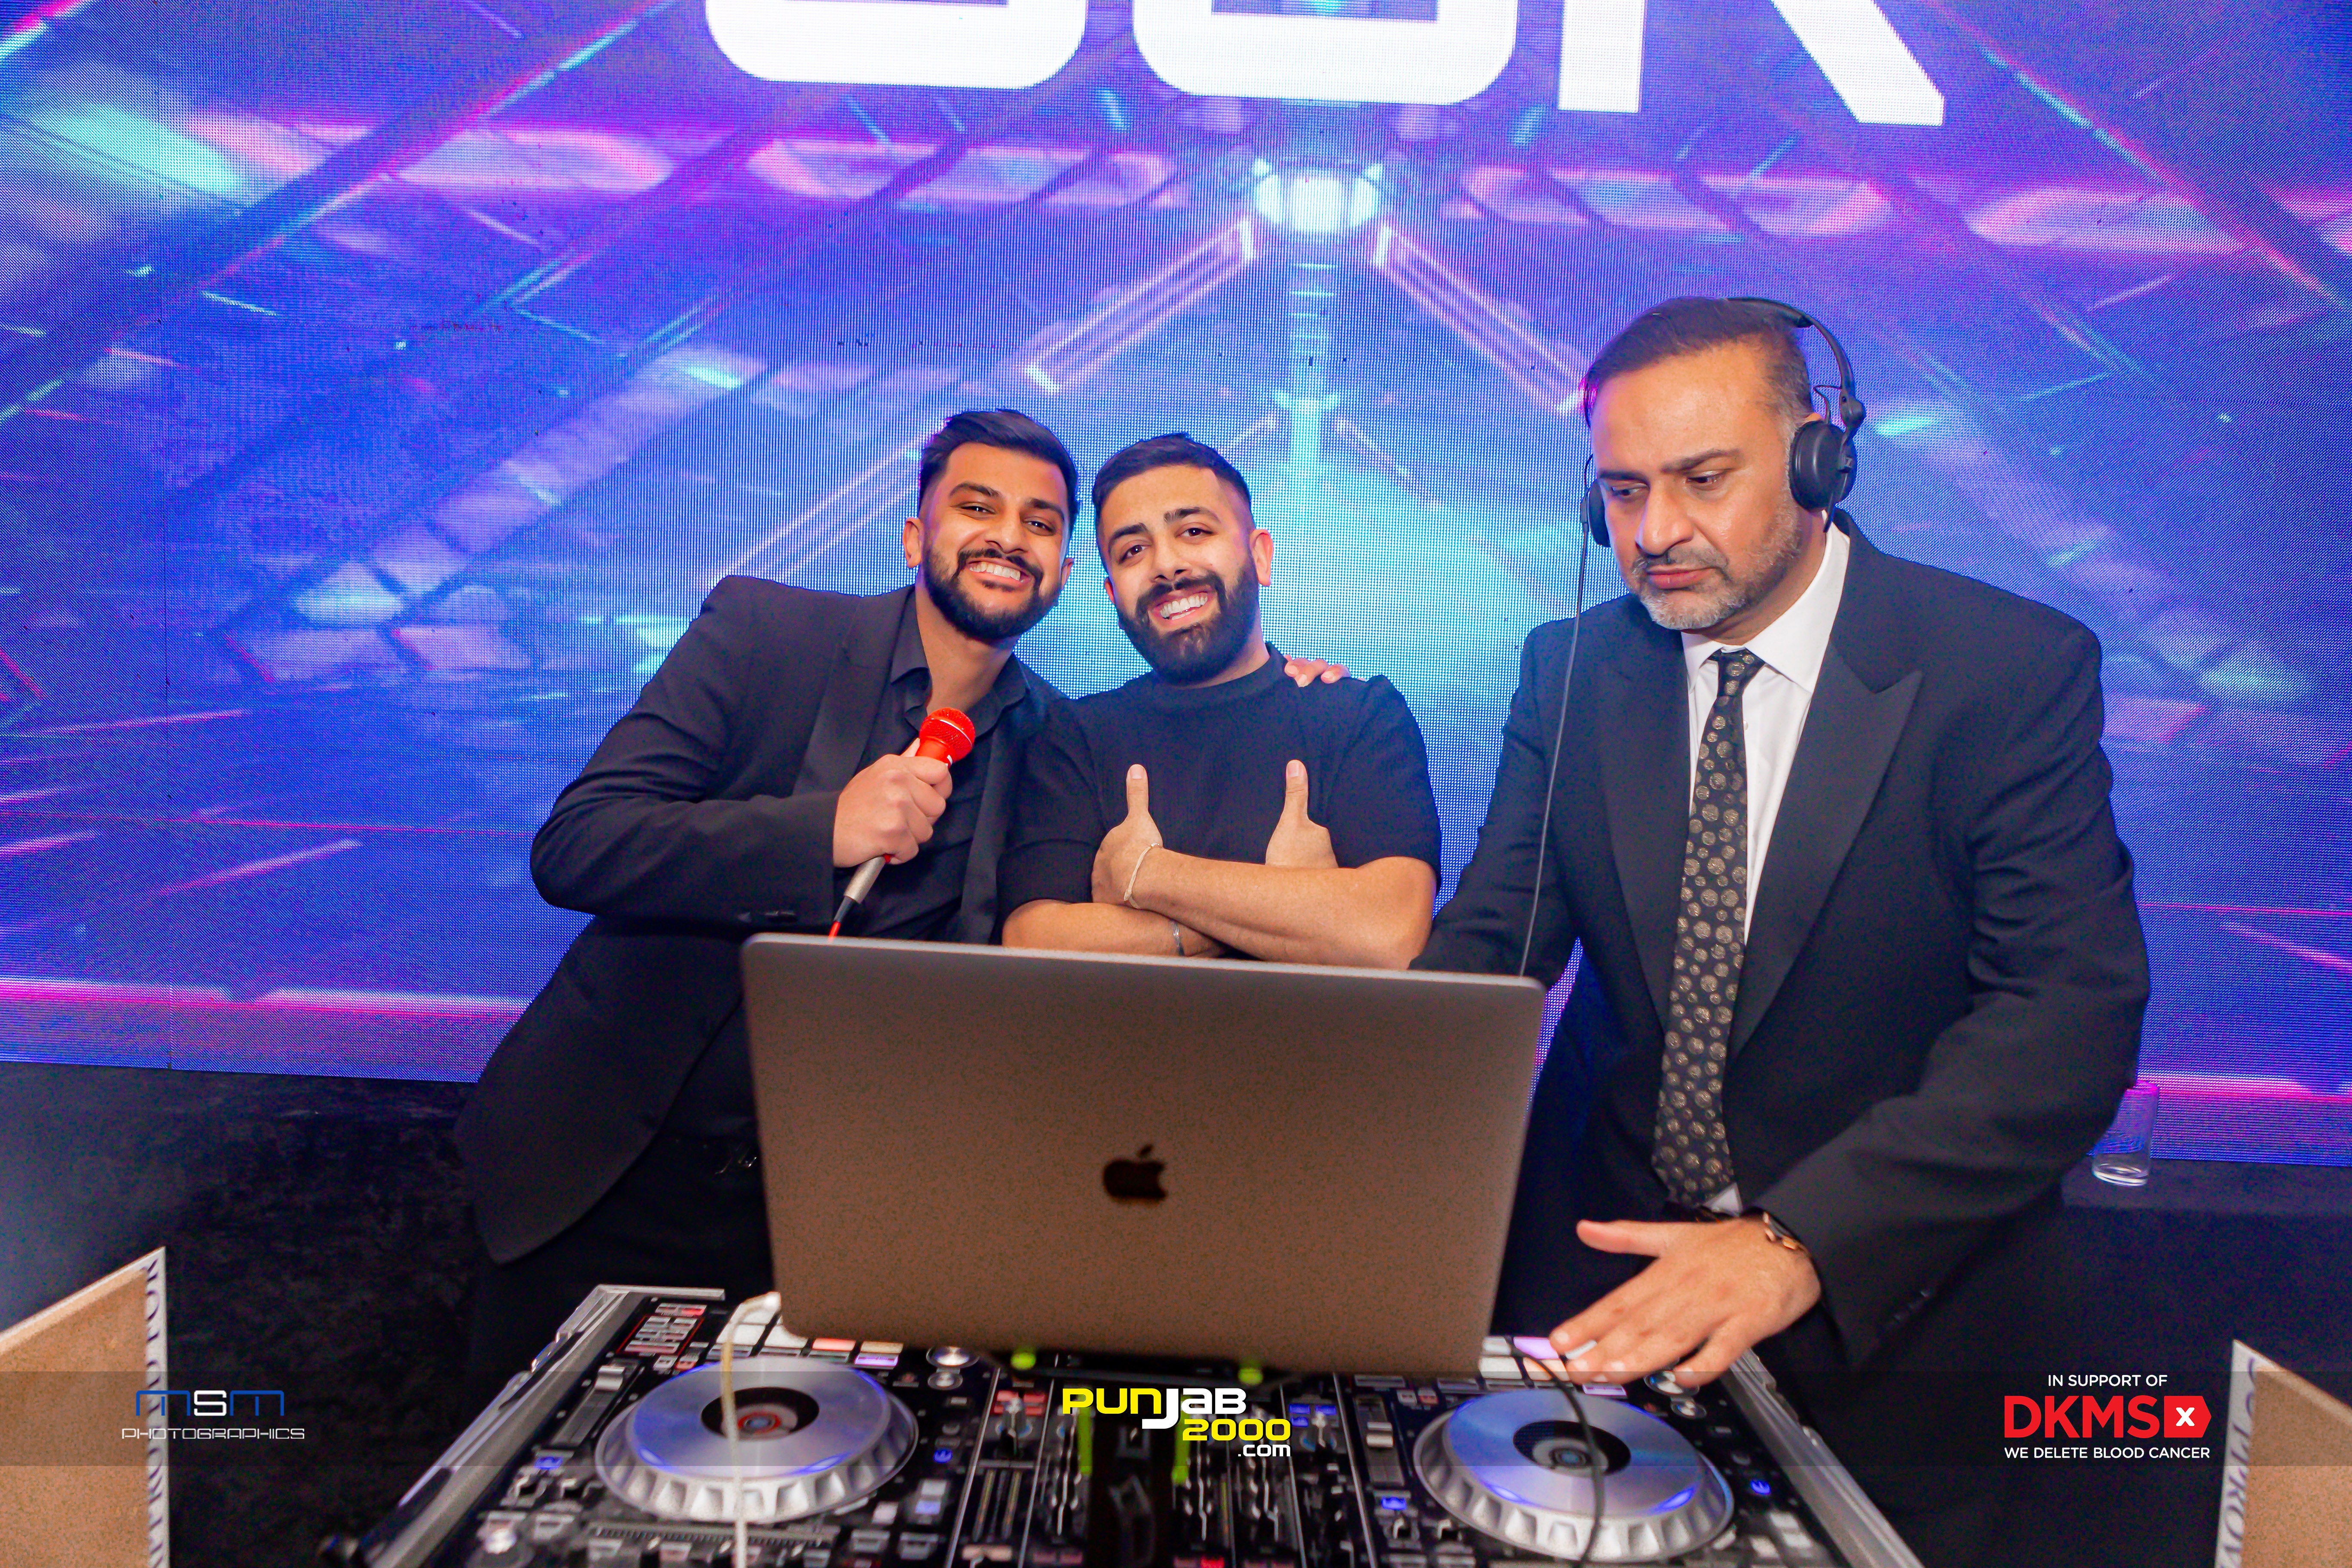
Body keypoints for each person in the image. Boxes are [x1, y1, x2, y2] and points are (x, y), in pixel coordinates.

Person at [1416, 298, 2148, 1564]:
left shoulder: (2006, 669)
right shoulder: (1572, 669)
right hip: (1600, 1296)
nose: (1655, 534)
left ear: (1821, 455)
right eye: (1625, 491)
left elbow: (2066, 1017)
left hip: (1897, 1321)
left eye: (1703, 480)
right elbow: (1494, 946)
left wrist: (1799, 1238)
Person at [456, 411, 1346, 1394]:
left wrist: (1288, 696)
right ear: (916, 536)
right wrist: (819, 831)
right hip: (607, 1177)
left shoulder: (1055, 737)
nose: (1009, 536)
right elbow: (577, 845)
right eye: (977, 507)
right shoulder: (767, 632)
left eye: (1042, 522)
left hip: (834, 1226)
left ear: (1061, 571)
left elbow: (1054, 945)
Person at [1001, 434, 1439, 968]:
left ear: (1260, 556)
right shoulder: (1076, 735)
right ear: (1113, 594)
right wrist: (1295, 910)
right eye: (1133, 550)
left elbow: (1388, 933)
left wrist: (1146, 875)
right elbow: (1033, 943)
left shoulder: (1358, 716)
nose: (1166, 566)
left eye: (1193, 531)